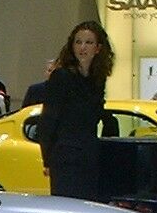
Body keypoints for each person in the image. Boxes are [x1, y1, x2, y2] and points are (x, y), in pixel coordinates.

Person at [38, 21, 114, 199]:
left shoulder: (97, 78)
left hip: (89, 153)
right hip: (66, 155)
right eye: (78, 42)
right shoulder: (62, 76)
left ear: (98, 48)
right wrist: (47, 158)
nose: (82, 47)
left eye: (88, 42)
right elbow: (48, 119)